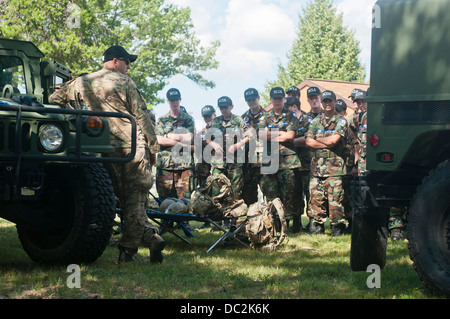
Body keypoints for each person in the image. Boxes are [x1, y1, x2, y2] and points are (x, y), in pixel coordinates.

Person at [49, 45, 165, 263]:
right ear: (114, 61)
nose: (128, 66)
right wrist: (153, 148)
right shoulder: (124, 81)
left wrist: (80, 117)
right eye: (126, 61)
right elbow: (141, 115)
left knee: (120, 198)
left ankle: (150, 237)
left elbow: (55, 100)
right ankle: (128, 251)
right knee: (135, 199)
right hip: (132, 145)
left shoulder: (83, 82)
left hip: (102, 147)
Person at [305, 90, 348, 237]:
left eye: (330, 101)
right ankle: (317, 227)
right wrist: (325, 142)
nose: (327, 104)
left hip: (334, 167)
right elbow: (308, 142)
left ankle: (337, 227)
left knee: (335, 200)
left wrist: (318, 139)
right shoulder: (316, 121)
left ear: (335, 102)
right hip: (316, 167)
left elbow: (333, 141)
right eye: (325, 101)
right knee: (316, 198)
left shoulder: (341, 121)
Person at [258, 87, 301, 228]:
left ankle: (286, 223)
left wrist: (271, 134)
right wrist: (281, 134)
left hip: (287, 161)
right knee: (270, 192)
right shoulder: (265, 117)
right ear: (270, 100)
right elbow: (262, 136)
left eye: (280, 98)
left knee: (287, 193)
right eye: (275, 99)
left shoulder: (291, 116)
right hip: (270, 160)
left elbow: (290, 136)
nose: (277, 101)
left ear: (284, 99)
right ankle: (274, 222)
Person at [155, 88, 195, 201]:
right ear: (167, 101)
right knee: (165, 201)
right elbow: (158, 139)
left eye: (176, 100)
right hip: (165, 167)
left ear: (180, 100)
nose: (174, 103)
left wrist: (169, 136)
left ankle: (184, 220)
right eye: (172, 100)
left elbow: (190, 137)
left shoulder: (188, 119)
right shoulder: (162, 120)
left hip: (184, 167)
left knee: (185, 201)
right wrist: (179, 142)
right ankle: (166, 220)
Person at [294, 86, 324, 230]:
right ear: (307, 100)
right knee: (297, 193)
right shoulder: (303, 118)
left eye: (316, 97)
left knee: (313, 194)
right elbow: (298, 137)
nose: (314, 100)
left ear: (320, 98)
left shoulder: (326, 117)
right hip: (301, 162)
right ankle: (297, 222)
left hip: (320, 162)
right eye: (311, 98)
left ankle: (314, 221)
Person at [206, 96, 245, 203]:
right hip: (218, 162)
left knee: (234, 191)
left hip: (235, 161)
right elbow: (206, 138)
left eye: (225, 107)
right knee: (216, 190)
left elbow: (249, 136)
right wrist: (214, 145)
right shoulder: (215, 122)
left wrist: (237, 145)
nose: (223, 110)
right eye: (221, 108)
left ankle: (232, 218)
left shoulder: (238, 120)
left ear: (231, 107)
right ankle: (217, 218)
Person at [285, 96, 308, 232]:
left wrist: (291, 140)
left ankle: (313, 223)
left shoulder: (307, 119)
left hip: (305, 163)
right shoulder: (287, 120)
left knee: (308, 193)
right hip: (291, 163)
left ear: (294, 107)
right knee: (294, 194)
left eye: (287, 108)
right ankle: (296, 223)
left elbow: (309, 138)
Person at [241, 88, 266, 206]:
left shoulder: (268, 116)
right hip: (248, 162)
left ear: (258, 98)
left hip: (264, 160)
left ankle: (269, 221)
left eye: (253, 99)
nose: (251, 102)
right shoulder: (243, 118)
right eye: (248, 100)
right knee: (249, 194)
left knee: (268, 192)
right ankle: (252, 221)